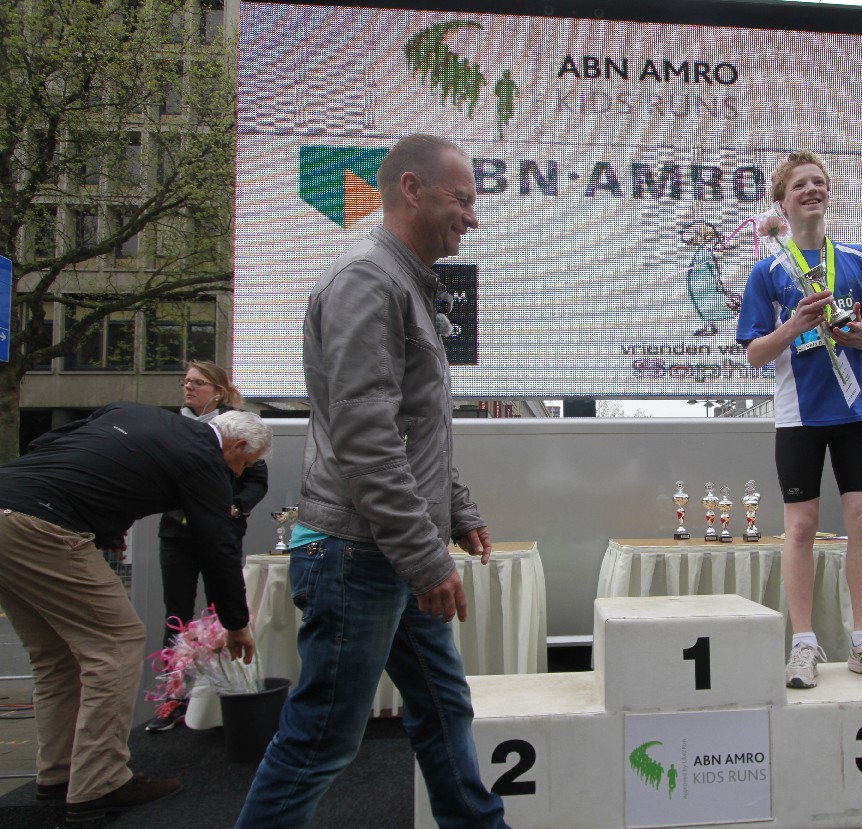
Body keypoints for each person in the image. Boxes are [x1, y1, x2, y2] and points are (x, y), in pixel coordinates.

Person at [236, 135, 508, 829]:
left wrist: (456, 508)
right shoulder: (368, 282)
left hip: (383, 551)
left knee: (443, 709)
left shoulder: (402, 283)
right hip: (359, 554)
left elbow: (412, 429)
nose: (472, 217)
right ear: (411, 189)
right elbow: (366, 438)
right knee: (321, 739)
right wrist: (424, 555)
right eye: (462, 199)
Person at [0, 402, 265, 823]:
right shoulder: (205, 460)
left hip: (8, 500)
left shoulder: (133, 413)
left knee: (56, 657)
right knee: (116, 644)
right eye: (244, 465)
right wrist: (235, 623)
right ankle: (100, 782)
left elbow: (47, 444)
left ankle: (59, 775)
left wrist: (99, 519)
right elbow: (217, 545)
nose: (238, 475)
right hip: (45, 525)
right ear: (235, 446)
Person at [736, 150, 862, 689]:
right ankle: (804, 643)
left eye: (819, 182)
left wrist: (858, 338)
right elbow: (755, 353)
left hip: (856, 412)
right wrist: (793, 326)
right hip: (799, 418)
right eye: (800, 185)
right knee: (802, 528)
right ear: (781, 203)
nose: (812, 190)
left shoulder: (858, 258)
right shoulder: (768, 270)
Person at [146, 360, 269, 733]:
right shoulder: (172, 426)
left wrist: (237, 506)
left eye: (198, 382)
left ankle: (225, 695)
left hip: (221, 532)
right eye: (185, 381)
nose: (188, 388)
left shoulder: (239, 427)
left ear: (218, 391)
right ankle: (175, 696)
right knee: (176, 615)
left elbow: (256, 479)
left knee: (223, 612)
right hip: (177, 534)